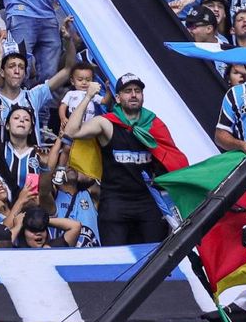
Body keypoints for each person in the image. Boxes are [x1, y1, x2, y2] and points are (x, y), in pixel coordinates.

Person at [63, 77, 175, 245]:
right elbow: (71, 132)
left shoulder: (154, 124)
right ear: (117, 98)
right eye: (128, 91)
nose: (133, 95)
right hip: (115, 202)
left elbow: (173, 160)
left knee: (153, 258)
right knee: (115, 258)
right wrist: (88, 97)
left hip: (147, 202)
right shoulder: (106, 123)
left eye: (137, 91)